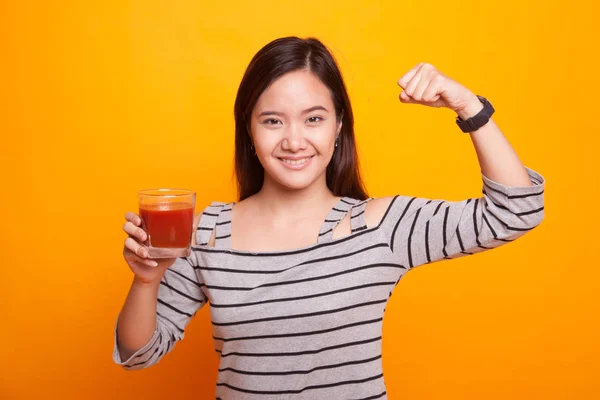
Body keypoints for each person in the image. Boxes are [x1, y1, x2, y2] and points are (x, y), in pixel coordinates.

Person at [114, 37, 545, 399]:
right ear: (248, 129)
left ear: (339, 126)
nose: (294, 140)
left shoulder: (380, 228)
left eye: (314, 119)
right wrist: (146, 280)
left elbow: (516, 211)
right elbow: (140, 354)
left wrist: (469, 105)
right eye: (272, 121)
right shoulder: (207, 232)